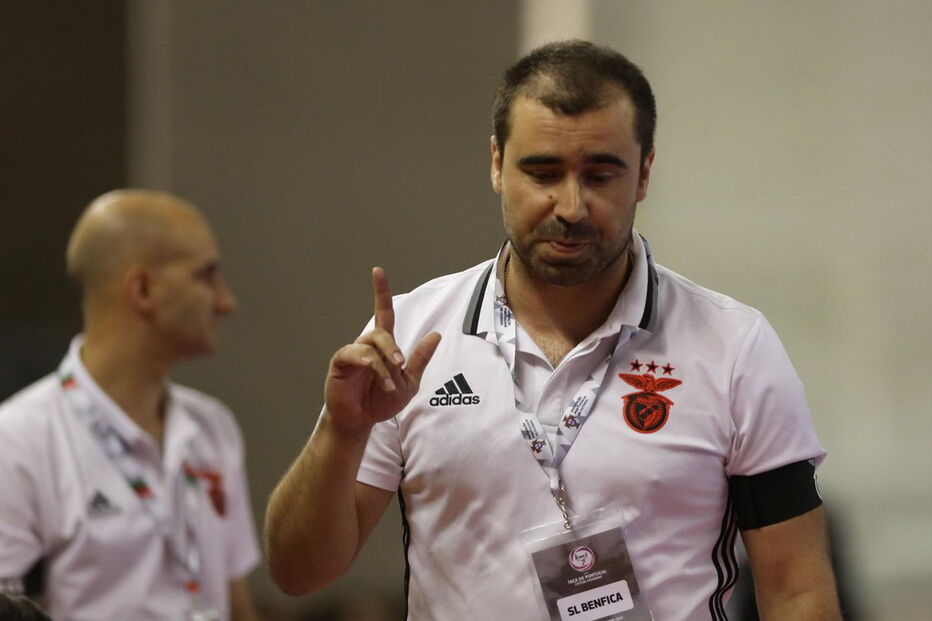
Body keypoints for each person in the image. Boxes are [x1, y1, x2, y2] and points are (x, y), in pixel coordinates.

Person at [265, 40, 841, 620]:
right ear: (496, 164)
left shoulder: (734, 347)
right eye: (543, 172)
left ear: (644, 173)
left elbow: (797, 588)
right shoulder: (413, 337)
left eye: (600, 174)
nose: (571, 205)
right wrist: (341, 433)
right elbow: (297, 572)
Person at [0, 190, 260, 620]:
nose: (225, 302)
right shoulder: (18, 442)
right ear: (142, 289)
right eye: (206, 275)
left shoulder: (214, 427)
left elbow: (238, 609)